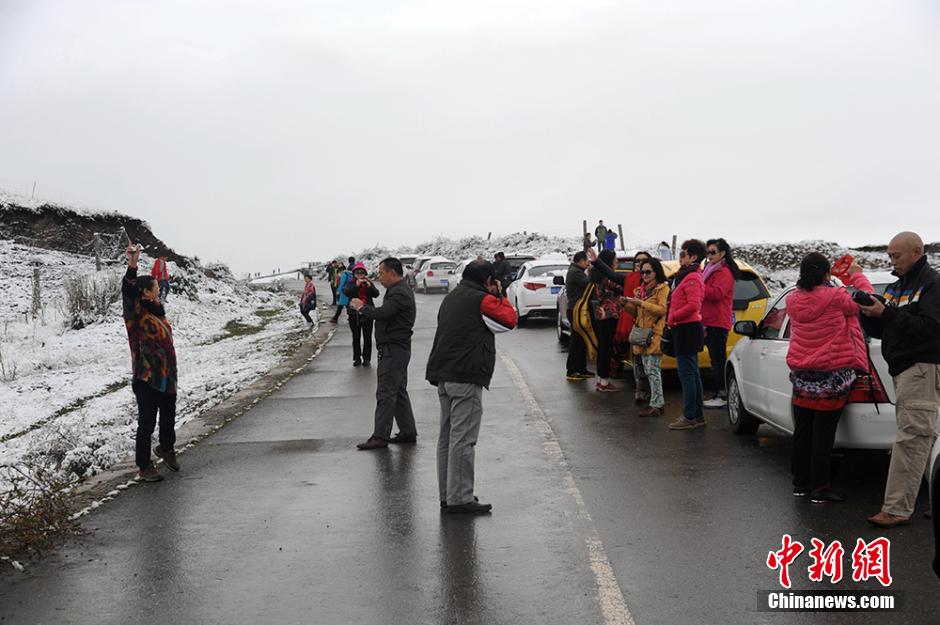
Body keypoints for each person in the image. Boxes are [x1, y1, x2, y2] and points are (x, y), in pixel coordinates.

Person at [858, 231, 940, 527]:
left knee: (913, 437)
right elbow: (887, 329)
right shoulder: (896, 287)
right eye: (889, 255)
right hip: (905, 369)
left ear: (917, 252)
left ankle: (896, 508)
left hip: (921, 367)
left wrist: (888, 314)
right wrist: (870, 313)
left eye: (896, 255)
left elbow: (930, 329)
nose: (892, 260)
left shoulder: (932, 284)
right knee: (924, 437)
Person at [426, 260, 517, 514]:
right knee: (463, 439)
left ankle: (448, 495)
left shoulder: (452, 296)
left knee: (447, 438)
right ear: (488, 280)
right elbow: (509, 320)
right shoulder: (482, 299)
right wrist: (501, 295)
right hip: (465, 375)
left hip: (443, 374)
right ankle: (460, 498)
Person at [786, 252, 868, 503]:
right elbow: (864, 302)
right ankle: (821, 487)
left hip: (802, 375)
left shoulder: (792, 299)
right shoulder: (836, 297)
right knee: (823, 434)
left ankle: (800, 484)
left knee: (803, 430)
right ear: (825, 273)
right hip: (831, 375)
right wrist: (857, 276)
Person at [122, 242, 179, 482]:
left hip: (166, 376)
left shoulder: (157, 311)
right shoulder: (135, 313)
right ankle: (144, 466)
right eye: (155, 285)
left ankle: (166, 448)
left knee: (168, 415)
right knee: (147, 422)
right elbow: (127, 289)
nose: (158, 287)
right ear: (145, 291)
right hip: (146, 377)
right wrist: (133, 264)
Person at [351, 258, 419, 450]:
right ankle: (407, 432)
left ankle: (380, 436)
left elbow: (384, 313)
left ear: (391, 273)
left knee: (386, 392)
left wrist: (362, 307)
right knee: (398, 391)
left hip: (394, 349)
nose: (379, 277)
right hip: (397, 348)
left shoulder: (398, 292)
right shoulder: (398, 289)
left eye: (381, 273)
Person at [622, 257, 670, 417]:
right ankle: (655, 402)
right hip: (641, 335)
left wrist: (640, 303)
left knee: (653, 371)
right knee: (644, 372)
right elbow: (636, 313)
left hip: (654, 335)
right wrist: (626, 305)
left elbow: (662, 310)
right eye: (642, 272)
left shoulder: (662, 288)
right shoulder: (640, 291)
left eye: (648, 272)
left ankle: (657, 404)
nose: (644, 275)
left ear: (656, 272)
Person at [667, 239, 707, 430]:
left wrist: (673, 316)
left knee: (687, 374)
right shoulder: (686, 275)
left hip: (687, 329)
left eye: (683, 254)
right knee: (692, 373)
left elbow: (693, 305)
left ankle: (690, 415)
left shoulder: (692, 277)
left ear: (693, 257)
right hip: (685, 329)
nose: (680, 257)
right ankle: (696, 415)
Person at [701, 238, 740, 409]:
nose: (709, 256)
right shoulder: (710, 270)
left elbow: (717, 294)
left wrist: (698, 287)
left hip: (717, 322)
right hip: (709, 321)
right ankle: (719, 393)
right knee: (714, 360)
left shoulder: (723, 272)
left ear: (722, 253)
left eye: (713, 252)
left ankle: (721, 395)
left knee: (718, 360)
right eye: (707, 252)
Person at [588, 249, 626, 391]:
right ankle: (604, 382)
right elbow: (624, 287)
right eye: (615, 260)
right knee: (607, 349)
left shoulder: (597, 276)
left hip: (600, 315)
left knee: (603, 348)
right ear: (609, 262)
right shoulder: (608, 278)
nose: (617, 263)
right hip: (609, 315)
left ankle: (601, 380)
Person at [565, 251, 595, 381]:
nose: (588, 263)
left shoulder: (575, 270)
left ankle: (581, 369)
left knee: (582, 341)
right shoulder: (576, 273)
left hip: (578, 309)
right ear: (580, 261)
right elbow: (590, 284)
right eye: (586, 261)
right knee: (577, 341)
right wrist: (592, 270)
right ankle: (572, 370)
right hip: (576, 310)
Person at [343, 261, 379, 366]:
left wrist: (370, 286)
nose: (359, 274)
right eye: (357, 272)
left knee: (367, 337)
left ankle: (367, 358)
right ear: (354, 274)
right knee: (356, 336)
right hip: (354, 314)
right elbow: (347, 292)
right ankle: (357, 358)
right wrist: (356, 286)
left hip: (368, 313)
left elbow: (376, 294)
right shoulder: (351, 283)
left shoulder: (368, 282)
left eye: (361, 272)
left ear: (365, 273)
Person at [331, 257, 355, 323]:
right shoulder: (354, 269)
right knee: (347, 304)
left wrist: (339, 290)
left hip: (345, 290)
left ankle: (335, 318)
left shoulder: (345, 273)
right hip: (351, 290)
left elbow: (342, 283)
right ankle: (350, 317)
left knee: (341, 305)